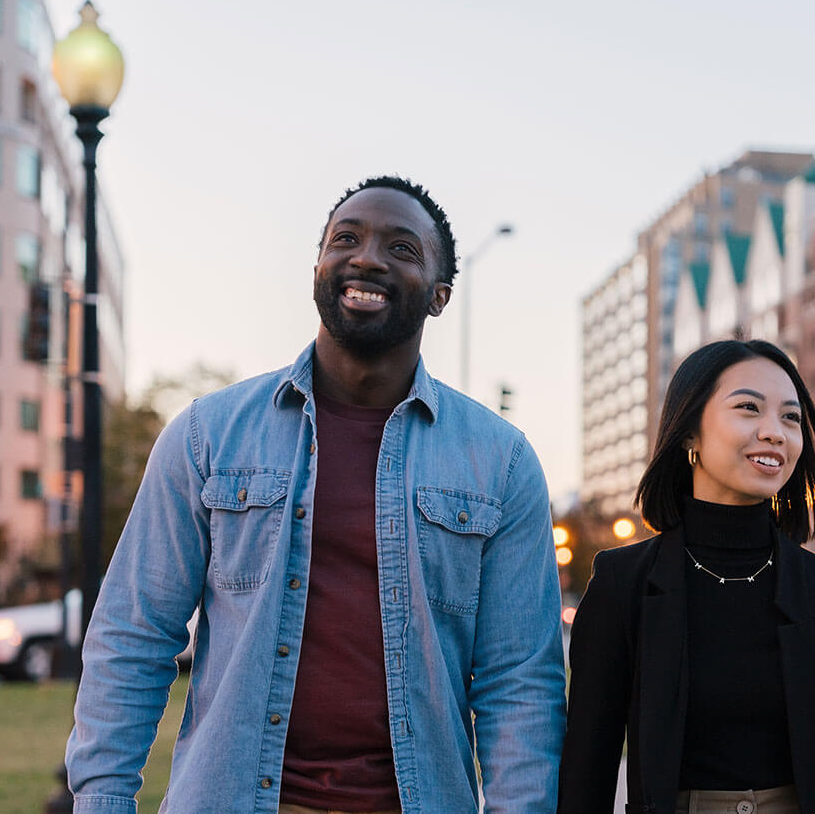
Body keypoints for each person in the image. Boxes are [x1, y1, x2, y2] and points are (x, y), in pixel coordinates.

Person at [67, 176, 565, 814]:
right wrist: (103, 800)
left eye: (402, 249)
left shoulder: (502, 462)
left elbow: (520, 682)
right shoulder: (208, 436)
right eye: (346, 239)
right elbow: (133, 632)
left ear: (439, 297)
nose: (367, 257)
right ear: (318, 269)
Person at [559, 339, 815, 814]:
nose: (774, 432)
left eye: (791, 418)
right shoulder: (621, 584)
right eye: (749, 408)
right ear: (689, 432)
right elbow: (586, 774)